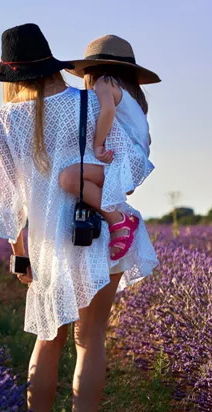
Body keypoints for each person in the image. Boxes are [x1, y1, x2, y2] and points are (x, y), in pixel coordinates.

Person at [0, 24, 158, 412]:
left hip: (47, 247)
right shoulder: (91, 103)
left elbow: (6, 202)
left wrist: (20, 254)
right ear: (53, 65)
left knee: (47, 339)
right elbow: (130, 170)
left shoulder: (3, 120)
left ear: (13, 76)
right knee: (90, 340)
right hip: (98, 234)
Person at [57, 35, 160, 261]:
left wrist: (97, 144)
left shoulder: (105, 81)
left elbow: (107, 111)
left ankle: (118, 220)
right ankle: (115, 218)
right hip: (135, 164)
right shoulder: (133, 98)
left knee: (69, 178)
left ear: (91, 70)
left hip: (127, 163)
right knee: (76, 179)